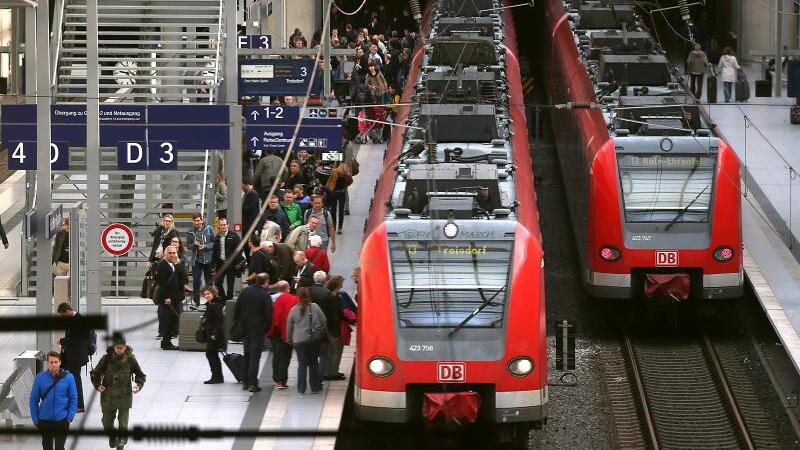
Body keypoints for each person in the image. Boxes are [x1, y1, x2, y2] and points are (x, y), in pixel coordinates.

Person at [89, 337, 146, 450]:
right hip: (108, 396)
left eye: (121, 348)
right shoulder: (106, 358)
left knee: (123, 424)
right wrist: (97, 384)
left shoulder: (131, 359)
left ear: (125, 347)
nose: (119, 350)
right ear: (114, 347)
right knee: (107, 422)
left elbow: (140, 375)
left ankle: (121, 443)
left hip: (124, 395)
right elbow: (95, 373)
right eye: (117, 348)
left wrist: (138, 385)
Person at [29, 351, 78, 450]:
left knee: (60, 447)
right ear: (47, 363)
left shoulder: (69, 378)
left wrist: (69, 417)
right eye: (51, 362)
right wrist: (36, 418)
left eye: (56, 362)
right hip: (44, 421)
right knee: (47, 447)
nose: (54, 365)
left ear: (60, 362)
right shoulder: (40, 378)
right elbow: (33, 400)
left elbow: (74, 399)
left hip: (62, 420)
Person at [234, 273, 273, 392]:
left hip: (245, 328)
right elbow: (269, 315)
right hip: (258, 329)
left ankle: (245, 382)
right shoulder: (265, 295)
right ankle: (253, 383)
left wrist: (239, 322)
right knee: (255, 357)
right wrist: (266, 328)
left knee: (247, 354)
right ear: (265, 282)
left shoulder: (245, 291)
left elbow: (237, 309)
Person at [286, 288, 327, 395]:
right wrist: (323, 331)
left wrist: (289, 339)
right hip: (314, 339)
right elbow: (324, 320)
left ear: (297, 297)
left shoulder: (293, 310)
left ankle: (301, 389)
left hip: (299, 340)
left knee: (302, 364)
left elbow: (289, 327)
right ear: (308, 295)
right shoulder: (315, 307)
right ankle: (314, 387)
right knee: (314, 363)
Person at [55, 302, 90, 413]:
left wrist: (62, 341)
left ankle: (79, 405)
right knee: (70, 379)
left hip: (76, 357)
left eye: (63, 315)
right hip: (72, 355)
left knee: (75, 380)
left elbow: (77, 340)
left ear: (68, 311)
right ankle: (73, 403)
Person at [310, 271, 345, 381]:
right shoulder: (328, 294)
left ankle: (315, 375)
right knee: (330, 350)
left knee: (314, 353)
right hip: (327, 326)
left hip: (310, 326)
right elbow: (333, 314)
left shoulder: (307, 291)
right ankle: (327, 373)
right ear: (325, 280)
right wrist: (336, 331)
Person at [154, 245, 187, 350]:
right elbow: (162, 283)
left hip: (177, 297)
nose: (172, 255)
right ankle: (166, 342)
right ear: (165, 254)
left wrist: (178, 265)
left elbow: (184, 279)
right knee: (167, 320)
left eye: (174, 253)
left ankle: (168, 341)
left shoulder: (177, 264)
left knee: (175, 320)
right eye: (170, 253)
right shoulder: (161, 265)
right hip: (167, 299)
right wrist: (166, 297)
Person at [267, 281, 297, 390]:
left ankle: (276, 377)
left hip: (275, 331)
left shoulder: (272, 298)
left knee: (277, 354)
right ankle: (281, 380)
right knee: (285, 356)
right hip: (287, 332)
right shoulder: (292, 299)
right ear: (288, 288)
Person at [187, 213, 215, 307]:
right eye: (195, 221)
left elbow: (214, 243)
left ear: (202, 220)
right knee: (196, 281)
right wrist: (194, 244)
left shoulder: (209, 229)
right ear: (193, 221)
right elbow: (188, 246)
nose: (197, 222)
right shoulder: (190, 231)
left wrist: (205, 246)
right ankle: (196, 302)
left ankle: (210, 301)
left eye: (198, 220)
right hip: (196, 261)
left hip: (208, 260)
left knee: (209, 282)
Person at [200, 286, 226, 384]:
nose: (207, 296)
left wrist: (214, 333)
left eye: (208, 294)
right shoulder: (211, 304)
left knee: (211, 354)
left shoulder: (215, 305)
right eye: (205, 294)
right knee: (212, 354)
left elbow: (219, 321)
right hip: (212, 333)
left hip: (214, 335)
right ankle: (217, 376)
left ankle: (217, 377)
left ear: (213, 293)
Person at [212, 218, 243, 301]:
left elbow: (239, 249)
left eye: (224, 224)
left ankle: (229, 301)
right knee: (217, 282)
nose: (223, 226)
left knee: (230, 285)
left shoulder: (233, 235)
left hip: (231, 264)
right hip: (220, 264)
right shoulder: (217, 237)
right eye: (221, 225)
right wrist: (213, 265)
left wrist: (237, 262)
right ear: (219, 226)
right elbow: (214, 252)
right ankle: (224, 298)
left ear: (228, 225)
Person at [326, 275, 357, 353]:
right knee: (337, 350)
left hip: (332, 325)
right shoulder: (339, 296)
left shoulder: (334, 294)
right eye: (342, 282)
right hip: (337, 325)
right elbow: (344, 311)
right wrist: (351, 320)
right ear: (338, 284)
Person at [326, 163, 354, 234]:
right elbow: (329, 182)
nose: (346, 169)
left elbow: (350, 181)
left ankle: (339, 227)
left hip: (341, 193)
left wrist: (348, 175)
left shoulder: (346, 175)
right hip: (335, 192)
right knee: (334, 209)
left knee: (341, 210)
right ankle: (335, 226)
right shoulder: (335, 173)